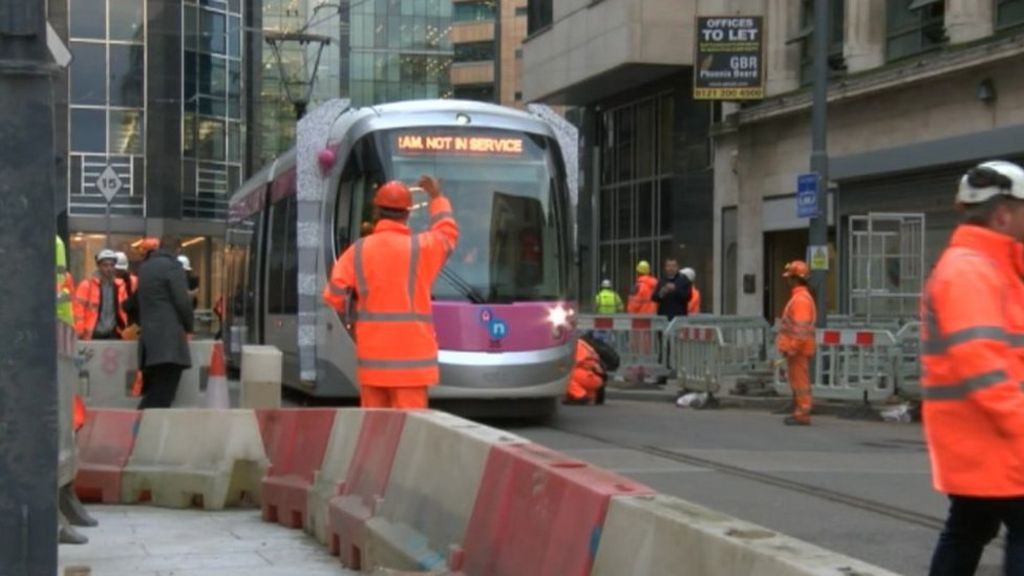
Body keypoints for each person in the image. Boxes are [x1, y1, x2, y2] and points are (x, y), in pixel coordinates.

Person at [920, 161, 1024, 576]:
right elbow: (984, 369)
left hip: (980, 439)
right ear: (1003, 215)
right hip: (995, 438)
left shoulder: (994, 266)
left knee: (969, 528)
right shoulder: (969, 271)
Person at [322, 176, 458, 409]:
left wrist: (355, 316)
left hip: (373, 363)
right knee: (409, 432)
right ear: (407, 213)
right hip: (412, 366)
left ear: (376, 212)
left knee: (376, 432)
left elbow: (334, 294)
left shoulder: (359, 251)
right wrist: (437, 198)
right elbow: (447, 236)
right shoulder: (421, 248)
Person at [135, 235, 194, 409]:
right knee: (163, 393)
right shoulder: (173, 267)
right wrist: (189, 325)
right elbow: (182, 302)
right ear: (177, 249)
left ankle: (143, 425)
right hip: (168, 341)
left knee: (155, 388)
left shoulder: (144, 268)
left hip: (149, 341)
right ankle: (142, 427)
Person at [776, 260, 816, 426]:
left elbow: (800, 329)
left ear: (794, 279)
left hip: (797, 350)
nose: (787, 281)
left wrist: (792, 348)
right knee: (798, 382)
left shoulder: (800, 300)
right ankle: (800, 410)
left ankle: (802, 413)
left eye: (789, 277)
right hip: (797, 348)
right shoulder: (800, 298)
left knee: (800, 383)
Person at [73, 249, 127, 340]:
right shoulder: (86, 285)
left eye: (112, 265)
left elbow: (123, 310)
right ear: (98, 266)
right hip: (92, 334)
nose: (109, 268)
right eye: (105, 265)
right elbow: (78, 311)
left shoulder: (120, 286)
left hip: (113, 334)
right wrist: (79, 332)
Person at [652, 257, 692, 322]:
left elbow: (688, 297)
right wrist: (662, 292)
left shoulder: (684, 280)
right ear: (665, 268)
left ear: (677, 267)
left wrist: (675, 289)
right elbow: (654, 297)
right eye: (669, 266)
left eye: (673, 266)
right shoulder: (662, 281)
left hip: (679, 319)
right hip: (663, 318)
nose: (671, 268)